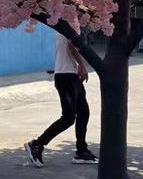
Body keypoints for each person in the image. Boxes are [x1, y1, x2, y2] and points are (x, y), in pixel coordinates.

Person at [24, 35, 97, 167]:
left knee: (83, 113)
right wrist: (82, 66)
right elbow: (71, 45)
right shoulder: (71, 19)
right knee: (68, 118)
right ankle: (37, 144)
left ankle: (82, 151)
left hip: (69, 75)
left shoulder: (63, 22)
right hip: (66, 76)